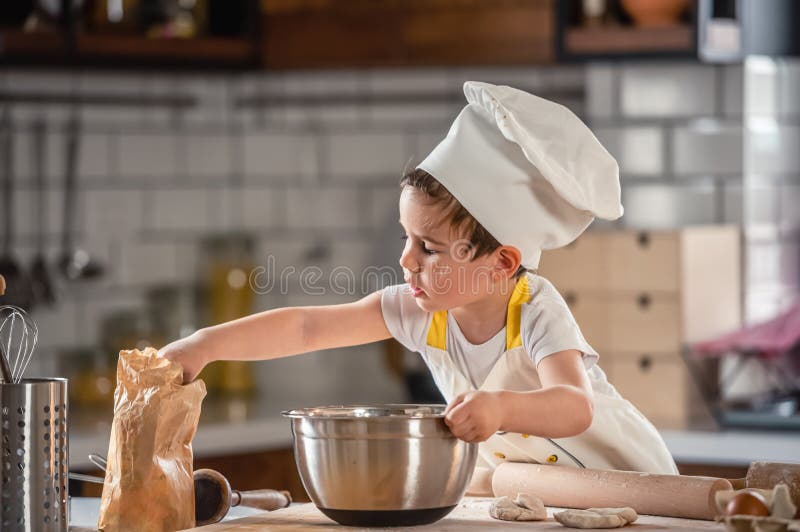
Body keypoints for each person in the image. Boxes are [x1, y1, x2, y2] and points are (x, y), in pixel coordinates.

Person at [160, 81, 678, 476]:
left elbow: (574, 407)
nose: (407, 261)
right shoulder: (419, 309)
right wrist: (206, 345)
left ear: (500, 264)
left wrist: (499, 407)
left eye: (428, 248)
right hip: (539, 496)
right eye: (407, 238)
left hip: (627, 481)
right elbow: (306, 328)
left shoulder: (534, 307)